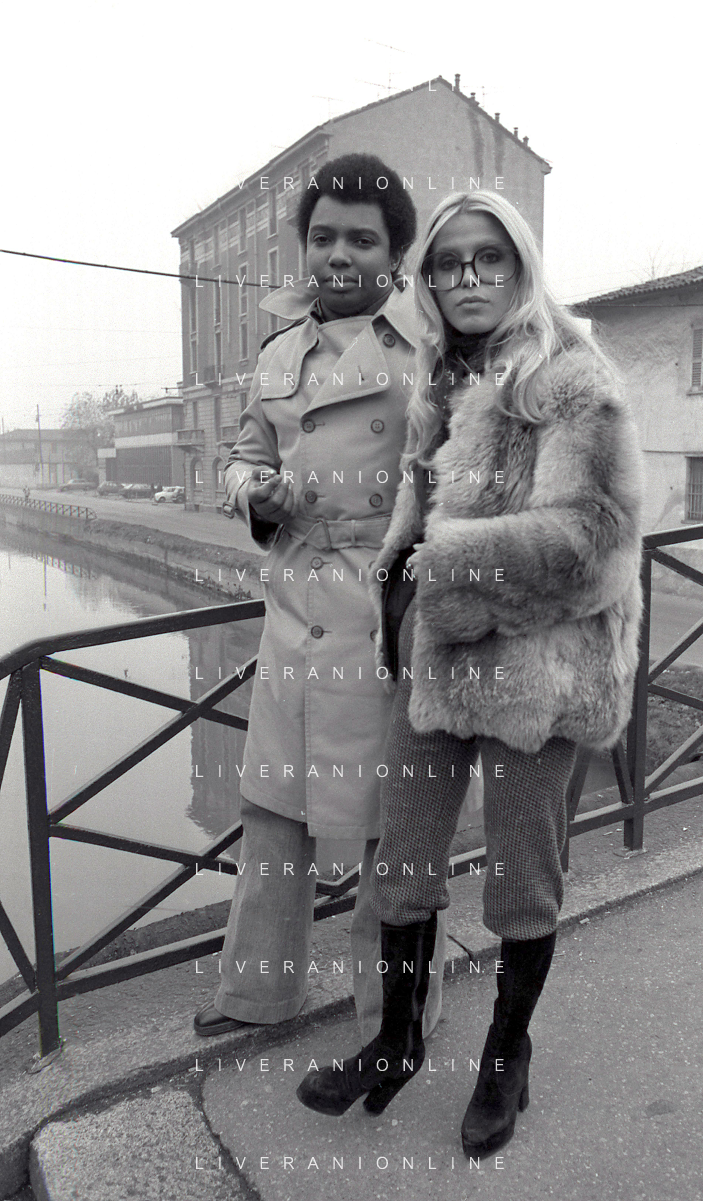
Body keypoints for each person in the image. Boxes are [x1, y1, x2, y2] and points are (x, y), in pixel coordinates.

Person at [296, 190, 644, 1154]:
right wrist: (402, 589)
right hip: (440, 660)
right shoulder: (444, 376)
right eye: (448, 263)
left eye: (488, 258)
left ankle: (505, 1055)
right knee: (402, 864)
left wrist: (447, 566)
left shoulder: (572, 378)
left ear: (520, 263)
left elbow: (596, 542)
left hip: (541, 668)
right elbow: (419, 505)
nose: (468, 277)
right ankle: (396, 1042)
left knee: (522, 879)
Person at [194, 154, 448, 1041]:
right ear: (304, 246)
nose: (339, 255)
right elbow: (241, 456)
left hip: (389, 611)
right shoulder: (275, 355)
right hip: (294, 609)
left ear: (396, 254)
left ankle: (398, 1015)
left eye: (362, 240)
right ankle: (255, 993)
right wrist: (252, 494)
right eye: (323, 236)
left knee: (395, 826)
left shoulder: (431, 349)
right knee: (271, 811)